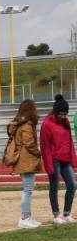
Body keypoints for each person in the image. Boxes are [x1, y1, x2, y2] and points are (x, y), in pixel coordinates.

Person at [39, 94, 77, 224]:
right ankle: (56, 215)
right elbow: (44, 147)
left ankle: (67, 213)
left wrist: (73, 159)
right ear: (55, 112)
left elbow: (70, 142)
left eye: (65, 114)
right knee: (54, 187)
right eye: (61, 114)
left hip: (66, 159)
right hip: (54, 160)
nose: (63, 116)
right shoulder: (47, 124)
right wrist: (49, 165)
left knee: (72, 185)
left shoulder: (66, 122)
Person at [7, 100, 42, 229]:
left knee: (28, 189)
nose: (36, 110)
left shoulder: (21, 123)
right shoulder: (27, 125)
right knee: (28, 190)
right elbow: (29, 143)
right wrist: (38, 153)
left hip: (23, 159)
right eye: (35, 108)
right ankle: (25, 218)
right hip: (26, 159)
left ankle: (27, 216)